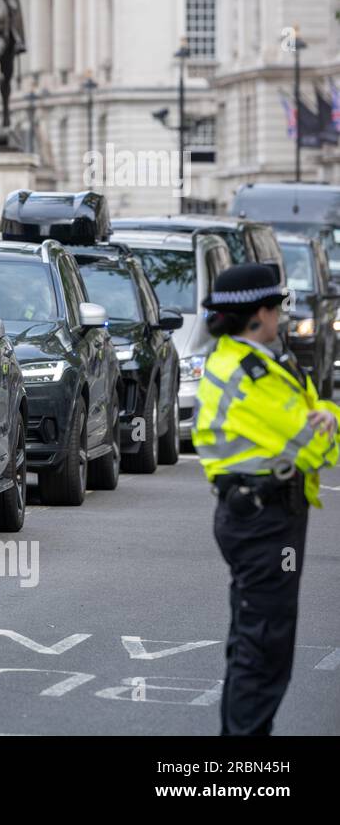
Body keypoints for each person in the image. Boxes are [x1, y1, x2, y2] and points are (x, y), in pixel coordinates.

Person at [193, 263, 340, 736]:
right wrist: (329, 424)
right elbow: (315, 440)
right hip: (267, 520)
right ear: (259, 314)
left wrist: (327, 418)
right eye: (277, 308)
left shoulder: (256, 360)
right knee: (265, 648)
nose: (281, 316)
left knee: (255, 641)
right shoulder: (252, 373)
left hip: (262, 514)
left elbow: (318, 410)